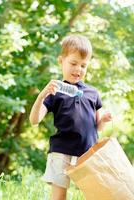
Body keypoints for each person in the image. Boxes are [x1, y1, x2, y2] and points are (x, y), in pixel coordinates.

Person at [29, 35, 112, 200]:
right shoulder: (55, 91)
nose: (78, 69)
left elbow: (98, 127)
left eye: (83, 65)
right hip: (61, 151)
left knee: (93, 195)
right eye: (73, 63)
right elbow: (34, 120)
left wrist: (103, 120)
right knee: (59, 197)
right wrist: (41, 96)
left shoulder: (93, 93)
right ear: (61, 61)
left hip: (88, 152)